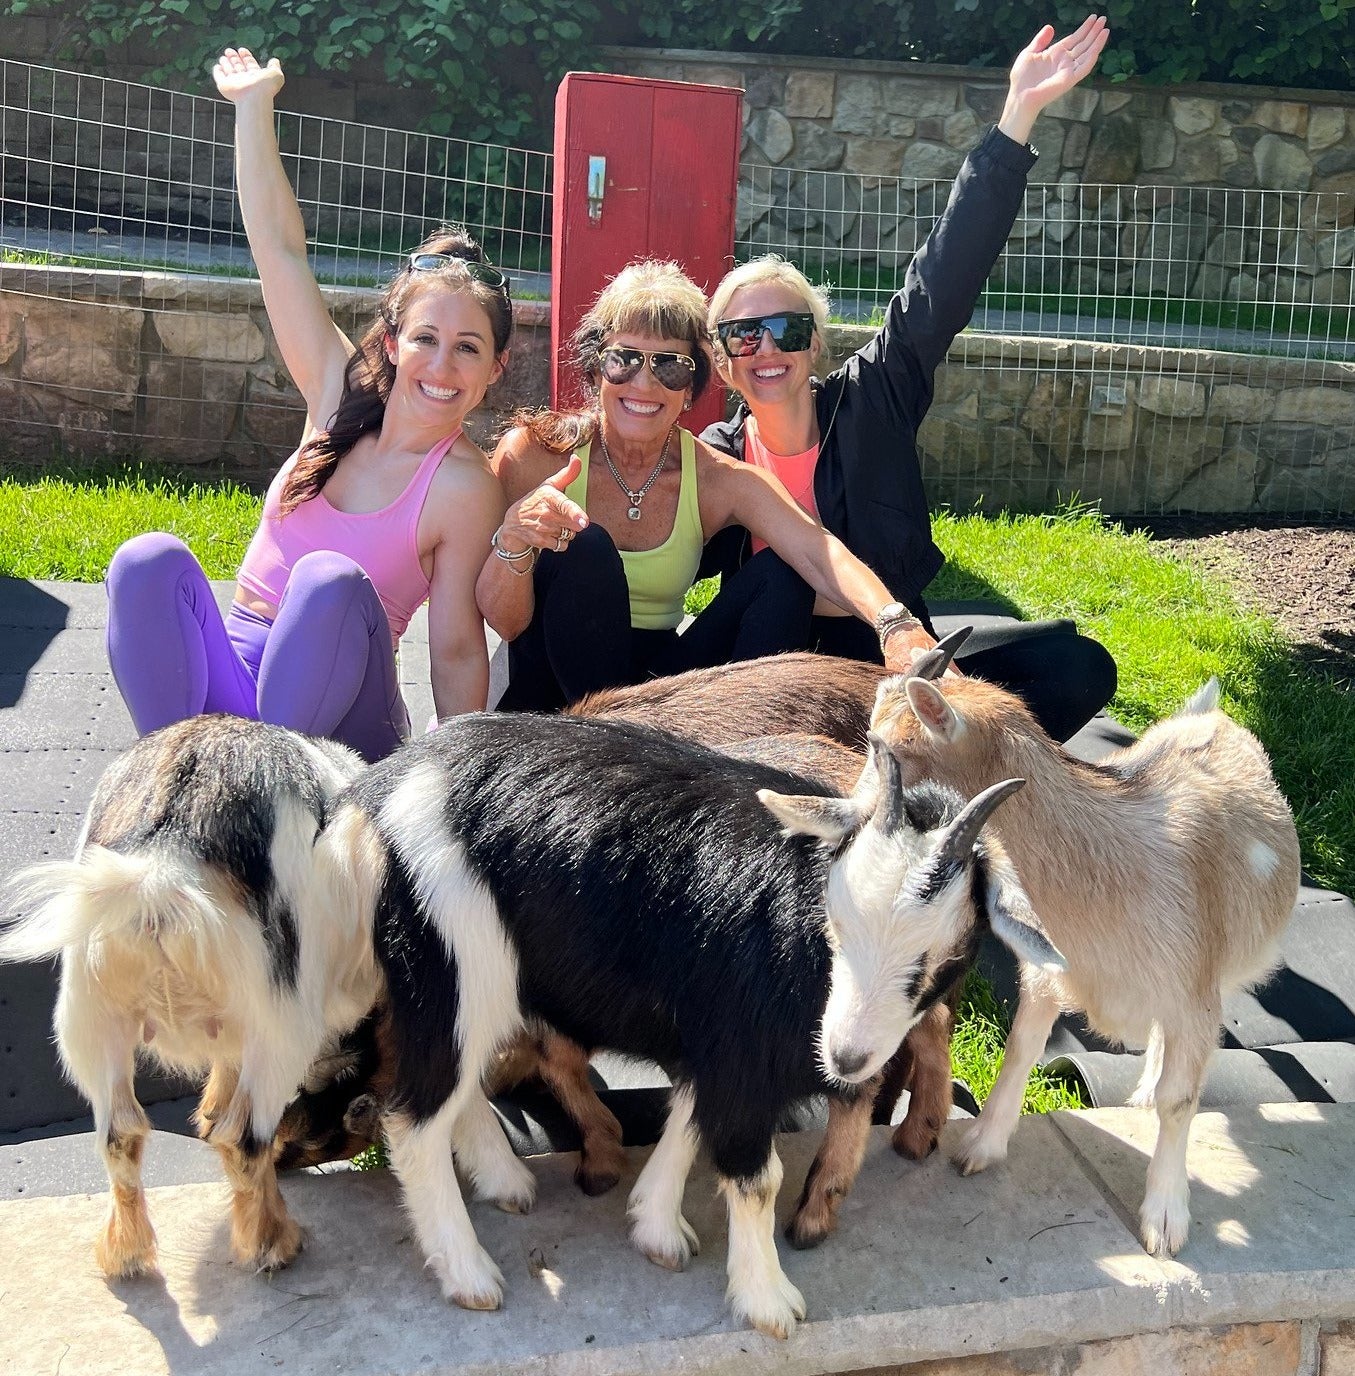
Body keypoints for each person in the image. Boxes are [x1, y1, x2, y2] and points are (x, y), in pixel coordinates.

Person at [702, 16, 1118, 743]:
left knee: (1075, 667)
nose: (766, 349)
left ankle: (934, 765)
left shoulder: (871, 400)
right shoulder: (716, 454)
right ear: (720, 356)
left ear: (816, 344)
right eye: (743, 332)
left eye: (787, 329)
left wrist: (1016, 115)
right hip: (780, 667)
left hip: (891, 649)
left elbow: (940, 285)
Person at [105, 47, 509, 761]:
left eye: (468, 347)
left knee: (327, 580)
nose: (442, 365)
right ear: (390, 343)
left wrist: (454, 787)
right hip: (237, 690)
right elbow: (278, 251)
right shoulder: (336, 390)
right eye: (425, 338)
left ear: (494, 368)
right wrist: (254, 106)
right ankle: (172, 777)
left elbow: (453, 649)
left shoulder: (464, 486)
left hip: (347, 724)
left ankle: (263, 796)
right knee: (147, 561)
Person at [477, 260, 913, 711]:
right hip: (553, 693)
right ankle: (611, 747)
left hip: (655, 693)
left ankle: (753, 748)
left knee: (781, 575)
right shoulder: (531, 456)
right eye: (623, 360)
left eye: (670, 367)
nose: (644, 383)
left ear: (690, 389)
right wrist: (514, 539)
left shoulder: (714, 478)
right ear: (594, 371)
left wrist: (898, 628)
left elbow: (818, 552)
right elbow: (504, 623)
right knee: (586, 546)